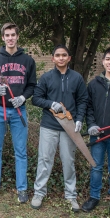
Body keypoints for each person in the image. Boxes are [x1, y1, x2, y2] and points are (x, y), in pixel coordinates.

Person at [30, 45, 88, 212]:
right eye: (58, 55)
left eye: (64, 55)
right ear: (52, 58)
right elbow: (36, 99)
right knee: (44, 160)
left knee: (68, 162)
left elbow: (83, 100)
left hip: (69, 127)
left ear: (69, 58)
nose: (61, 58)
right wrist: (50, 104)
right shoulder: (47, 77)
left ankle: (71, 195)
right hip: (49, 125)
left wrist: (79, 119)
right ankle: (39, 192)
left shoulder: (77, 78)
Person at [0, 23, 37, 203]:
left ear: (17, 36)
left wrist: (23, 98)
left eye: (13, 35)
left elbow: (31, 86)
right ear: (3, 38)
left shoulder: (28, 60)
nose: (10, 38)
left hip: (18, 110)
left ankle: (22, 188)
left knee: (20, 151)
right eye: (7, 35)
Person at [81, 48, 110, 212]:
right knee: (96, 166)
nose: (109, 62)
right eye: (108, 59)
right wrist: (91, 124)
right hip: (98, 133)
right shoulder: (94, 84)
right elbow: (88, 107)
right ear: (103, 61)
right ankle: (94, 197)